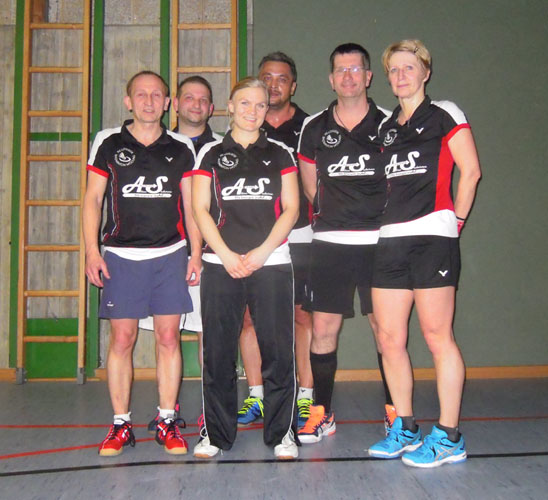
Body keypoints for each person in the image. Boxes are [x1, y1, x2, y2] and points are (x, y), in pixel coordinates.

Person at [367, 39, 481, 468]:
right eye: (394, 69)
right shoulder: (386, 127)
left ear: (425, 73)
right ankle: (405, 427)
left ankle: (449, 436)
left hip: (433, 237)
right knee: (389, 338)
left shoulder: (445, 113)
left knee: (437, 336)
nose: (401, 76)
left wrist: (456, 223)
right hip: (390, 241)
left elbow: (471, 172)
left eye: (409, 68)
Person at [83, 70, 198, 456]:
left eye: (156, 95)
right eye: (141, 94)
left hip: (170, 254)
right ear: (128, 101)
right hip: (121, 257)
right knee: (122, 340)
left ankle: (167, 420)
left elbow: (191, 206)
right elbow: (92, 200)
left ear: (167, 103)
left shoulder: (182, 146)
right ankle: (120, 424)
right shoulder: (108, 142)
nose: (149, 101)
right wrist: (92, 251)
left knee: (168, 338)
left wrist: (196, 253)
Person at [191, 77, 300, 460]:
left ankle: (282, 434)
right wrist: (224, 254)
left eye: (260, 105)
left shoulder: (281, 153)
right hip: (220, 264)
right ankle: (216, 435)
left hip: (271, 263)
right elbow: (200, 209)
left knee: (278, 352)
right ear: (230, 107)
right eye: (245, 103)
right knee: (218, 354)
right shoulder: (209, 154)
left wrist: (262, 252)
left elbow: (291, 209)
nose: (253, 111)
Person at [297, 43, 394, 444]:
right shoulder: (314, 127)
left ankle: (396, 412)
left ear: (368, 77)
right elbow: (310, 186)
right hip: (330, 244)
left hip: (381, 243)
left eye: (356, 69)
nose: (348, 76)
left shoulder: (391, 123)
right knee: (322, 329)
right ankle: (321, 412)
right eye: (341, 70)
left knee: (386, 331)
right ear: (331, 79)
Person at [236, 52, 314, 430]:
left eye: (281, 78)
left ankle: (306, 397)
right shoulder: (247, 125)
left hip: (300, 234)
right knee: (249, 318)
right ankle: (257, 395)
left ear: (293, 85)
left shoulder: (310, 127)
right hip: (253, 238)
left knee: (302, 316)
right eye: (266, 77)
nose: (273, 84)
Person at [143, 75, 223, 432]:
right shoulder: (156, 144)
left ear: (211, 108)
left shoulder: (221, 148)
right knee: (167, 334)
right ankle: (168, 409)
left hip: (211, 256)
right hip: (167, 255)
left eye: (202, 99)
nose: (196, 104)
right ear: (174, 104)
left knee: (211, 335)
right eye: (188, 97)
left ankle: (210, 409)